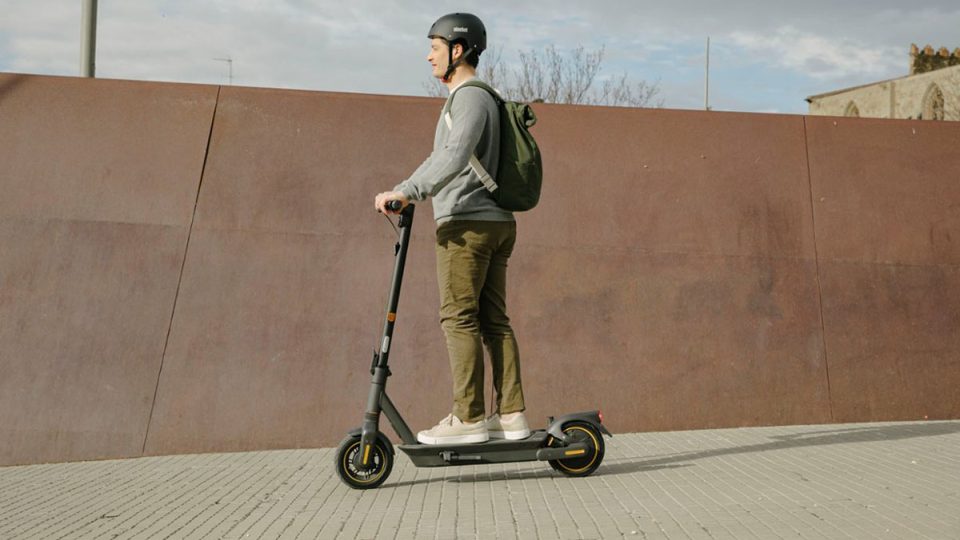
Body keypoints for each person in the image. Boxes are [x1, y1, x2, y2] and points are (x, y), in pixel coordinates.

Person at [374, 12, 529, 445]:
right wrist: (408, 188)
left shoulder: (470, 98)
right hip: (494, 223)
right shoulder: (483, 99)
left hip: (467, 226)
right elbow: (444, 157)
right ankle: (511, 415)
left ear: (457, 51)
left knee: (458, 319)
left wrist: (406, 192)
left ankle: (469, 418)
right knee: (494, 321)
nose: (428, 57)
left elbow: (453, 156)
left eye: (435, 49)